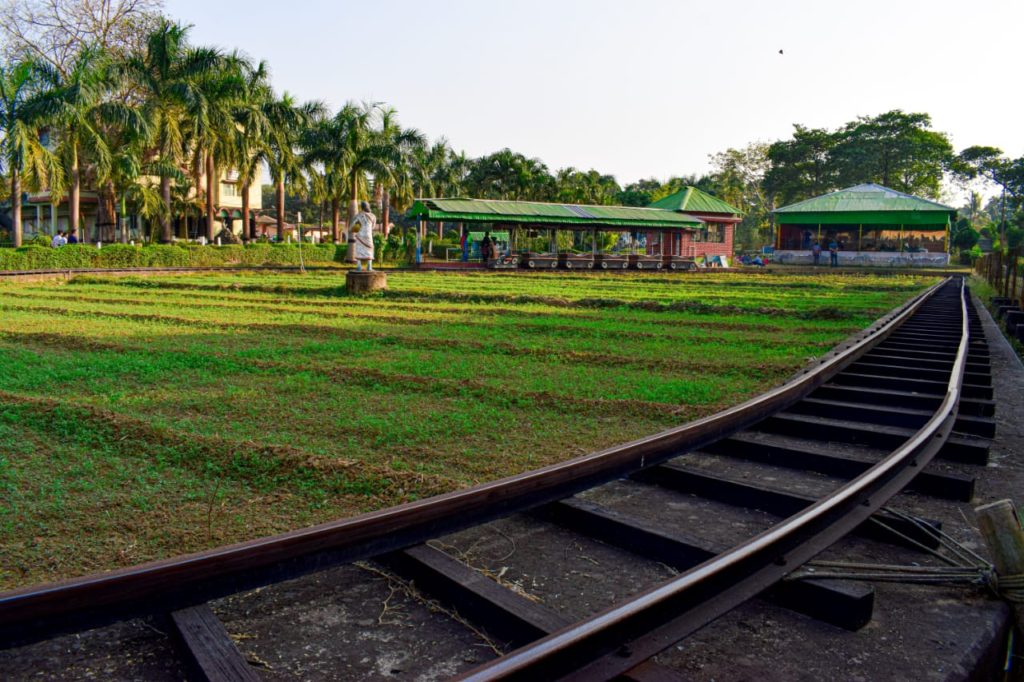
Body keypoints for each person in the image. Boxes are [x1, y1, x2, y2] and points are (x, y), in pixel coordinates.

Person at [351, 200, 376, 271]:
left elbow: (354, 227)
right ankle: (369, 267)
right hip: (368, 235)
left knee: (359, 250)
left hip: (360, 236)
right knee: (370, 249)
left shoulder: (358, 215)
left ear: (362, 207)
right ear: (368, 206)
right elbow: (373, 227)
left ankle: (359, 266)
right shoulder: (373, 216)